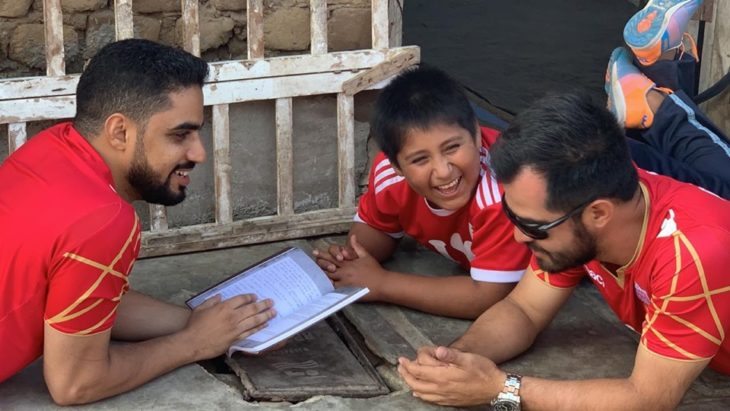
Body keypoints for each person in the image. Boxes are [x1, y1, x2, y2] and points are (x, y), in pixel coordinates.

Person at [396, 1, 730, 409]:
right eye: (514, 216)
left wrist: (500, 389)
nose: (519, 234)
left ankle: (659, 98)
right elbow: (523, 308)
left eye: (533, 226)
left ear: (599, 214)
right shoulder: (581, 207)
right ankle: (658, 85)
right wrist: (458, 360)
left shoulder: (689, 254)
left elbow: (646, 399)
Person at [0, 39, 276, 405]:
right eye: (180, 135)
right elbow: (76, 383)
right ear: (119, 132)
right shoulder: (103, 219)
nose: (199, 153)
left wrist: (210, 324)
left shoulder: (51, 147)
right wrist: (192, 344)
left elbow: (77, 291)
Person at [313, 66, 532, 319]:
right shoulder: (388, 175)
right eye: (420, 160)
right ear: (397, 166)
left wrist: (382, 283)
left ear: (476, 133)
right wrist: (350, 260)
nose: (442, 171)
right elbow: (377, 229)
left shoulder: (504, 191)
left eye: (452, 148)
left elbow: (487, 297)